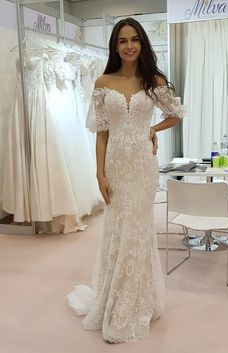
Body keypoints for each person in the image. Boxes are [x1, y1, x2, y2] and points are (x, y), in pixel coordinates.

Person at [67, 17, 185, 343]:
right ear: (115, 46)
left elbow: (175, 114)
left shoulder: (154, 79)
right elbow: (101, 132)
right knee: (119, 229)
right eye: (122, 40)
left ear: (142, 43)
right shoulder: (104, 82)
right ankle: (116, 299)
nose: (129, 45)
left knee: (138, 229)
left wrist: (153, 129)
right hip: (117, 165)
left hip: (143, 168)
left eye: (134, 39)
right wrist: (99, 172)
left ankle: (131, 307)